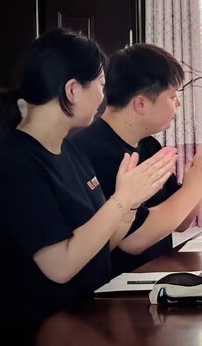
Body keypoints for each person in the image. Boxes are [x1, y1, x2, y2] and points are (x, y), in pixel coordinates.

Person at [0, 29, 177, 329]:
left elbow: (100, 245)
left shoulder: (69, 150)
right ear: (72, 90)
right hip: (43, 327)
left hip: (88, 314)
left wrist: (130, 204)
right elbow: (60, 266)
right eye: (100, 85)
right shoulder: (18, 163)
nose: (103, 96)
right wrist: (121, 200)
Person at [69, 44, 202, 275]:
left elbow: (181, 222)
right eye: (172, 96)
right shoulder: (93, 151)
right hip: (116, 286)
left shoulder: (149, 145)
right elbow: (134, 240)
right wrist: (195, 186)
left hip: (157, 277)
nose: (178, 104)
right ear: (141, 104)